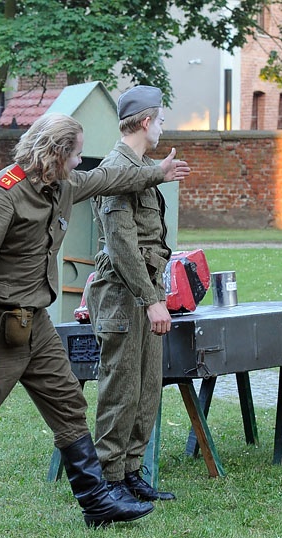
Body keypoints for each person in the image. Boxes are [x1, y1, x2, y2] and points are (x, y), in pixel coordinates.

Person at [0, 112, 191, 538]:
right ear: (54, 154)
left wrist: (158, 172)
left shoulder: (63, 186)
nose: (78, 163)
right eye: (74, 154)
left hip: (37, 325)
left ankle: (96, 502)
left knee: (69, 407)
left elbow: (109, 179)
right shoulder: (1, 194)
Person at [86, 85, 176, 503]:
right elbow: (122, 243)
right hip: (124, 294)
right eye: (159, 120)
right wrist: (151, 298)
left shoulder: (139, 166)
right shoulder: (116, 169)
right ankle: (109, 479)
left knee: (146, 386)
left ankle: (131, 472)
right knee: (121, 388)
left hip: (144, 290)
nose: (162, 128)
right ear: (145, 122)